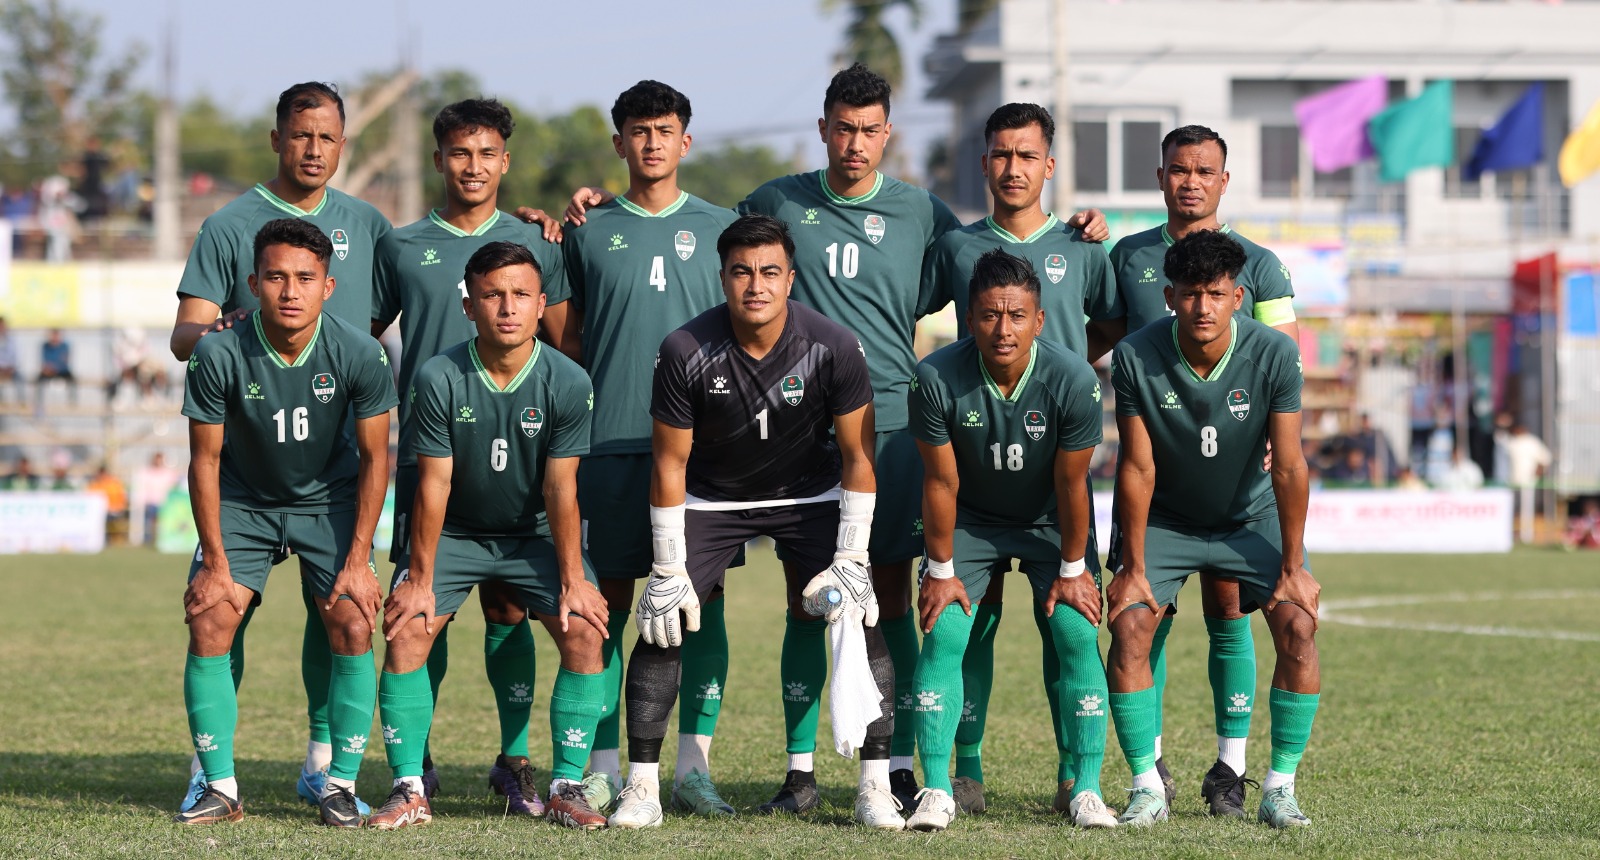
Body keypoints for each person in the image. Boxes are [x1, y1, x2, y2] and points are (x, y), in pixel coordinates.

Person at [609, 214, 897, 829]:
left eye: (770, 271)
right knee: (662, 617)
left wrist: (852, 556)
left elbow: (859, 455)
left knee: (860, 609)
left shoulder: (833, 345)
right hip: (711, 497)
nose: (756, 285)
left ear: (791, 279)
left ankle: (875, 787)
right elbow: (669, 462)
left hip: (809, 494)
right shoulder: (685, 348)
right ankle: (642, 788)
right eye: (742, 272)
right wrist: (667, 565)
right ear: (722, 278)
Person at [170, 82, 392, 817]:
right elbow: (185, 337)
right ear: (277, 139)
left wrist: (540, 228)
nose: (313, 149)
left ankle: (332, 775)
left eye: (327, 137)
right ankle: (213, 778)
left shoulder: (369, 226)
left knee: (347, 613)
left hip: (330, 483)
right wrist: (224, 337)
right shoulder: (230, 226)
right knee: (214, 608)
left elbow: (417, 287)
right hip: (247, 482)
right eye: (300, 135)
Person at [915, 102, 1119, 814]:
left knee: (1069, 627)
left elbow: (1114, 321)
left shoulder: (1083, 244)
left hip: (1048, 472)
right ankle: (955, 776)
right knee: (964, 628)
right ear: (984, 163)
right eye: (1001, 154)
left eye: (1027, 155)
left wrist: (1064, 372)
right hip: (973, 471)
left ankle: (1079, 782)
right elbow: (901, 306)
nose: (1013, 167)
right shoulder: (956, 247)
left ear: (1049, 165)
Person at [543, 81, 740, 816]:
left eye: (664, 131)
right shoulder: (588, 230)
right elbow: (566, 339)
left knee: (703, 606)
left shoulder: (722, 227)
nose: (652, 143)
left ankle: (693, 769)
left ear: (686, 141)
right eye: (638, 131)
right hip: (610, 444)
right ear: (618, 142)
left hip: (703, 451)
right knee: (607, 604)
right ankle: (601, 768)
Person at [370, 97, 569, 812]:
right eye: (460, 153)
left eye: (487, 153)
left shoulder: (537, 242)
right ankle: (416, 761)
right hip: (431, 457)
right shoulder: (401, 246)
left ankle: (513, 759)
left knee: (510, 608)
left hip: (518, 456)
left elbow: (565, 344)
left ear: (505, 161)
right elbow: (361, 338)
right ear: (438, 160)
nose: (474, 166)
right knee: (422, 607)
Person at [369, 241, 609, 831]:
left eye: (521, 294)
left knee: (584, 629)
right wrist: (419, 579)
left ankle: (567, 787)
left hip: (533, 534)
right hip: (456, 531)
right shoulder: (437, 375)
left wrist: (573, 581)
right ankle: (408, 788)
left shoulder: (568, 380)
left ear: (541, 304)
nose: (507, 307)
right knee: (407, 627)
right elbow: (434, 483)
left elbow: (560, 488)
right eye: (492, 295)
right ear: (468, 305)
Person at [1105, 125, 1300, 815]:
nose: (1191, 181)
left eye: (1205, 171)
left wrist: (1273, 432)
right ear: (1160, 176)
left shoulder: (1261, 264)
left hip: (1236, 474)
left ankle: (1231, 767)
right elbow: (1096, 335)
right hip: (1158, 476)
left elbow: (1284, 354)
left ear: (1224, 180)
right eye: (1179, 169)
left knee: (1228, 610)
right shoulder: (1125, 255)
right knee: (1143, 619)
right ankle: (1150, 766)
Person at [1499, 422, 1552, 543]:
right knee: (1511, 507)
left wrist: (1537, 473)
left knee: (1526, 509)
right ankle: (1511, 533)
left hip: (1528, 481)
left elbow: (1545, 459)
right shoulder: (1513, 442)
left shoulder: (1532, 442)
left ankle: (1526, 535)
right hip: (1512, 481)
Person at [135, 452, 181, 545]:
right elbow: (141, 487)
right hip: (150, 503)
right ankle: (148, 541)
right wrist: (141, 501)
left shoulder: (168, 473)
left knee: (163, 524)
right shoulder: (146, 472)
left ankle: (162, 540)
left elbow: (176, 484)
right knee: (148, 524)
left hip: (165, 503)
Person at [37, 328, 76, 407]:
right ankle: (38, 402)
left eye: (56, 335)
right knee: (38, 380)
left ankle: (73, 402)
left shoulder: (65, 346)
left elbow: (64, 361)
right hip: (48, 371)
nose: (54, 337)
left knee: (72, 380)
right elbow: (45, 360)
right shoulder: (45, 346)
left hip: (62, 371)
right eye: (53, 335)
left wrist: (55, 367)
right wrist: (48, 368)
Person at [0, 316, 20, 401]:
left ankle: (21, 403)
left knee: (20, 378)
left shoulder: (12, 340)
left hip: (10, 369)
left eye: (3, 326)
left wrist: (10, 368)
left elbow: (15, 357)